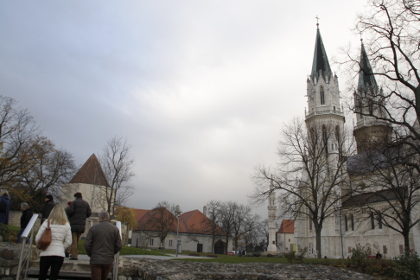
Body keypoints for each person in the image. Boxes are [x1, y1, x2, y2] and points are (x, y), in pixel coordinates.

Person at [35, 204, 72, 280]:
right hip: (59, 253)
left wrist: (42, 245)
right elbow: (69, 241)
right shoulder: (66, 224)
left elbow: (37, 238)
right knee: (54, 276)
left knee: (42, 275)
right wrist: (61, 247)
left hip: (46, 252)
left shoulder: (46, 223)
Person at [85, 211, 122, 280]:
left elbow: (87, 244)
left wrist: (91, 254)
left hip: (95, 259)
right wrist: (112, 253)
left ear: (99, 218)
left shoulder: (93, 228)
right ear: (108, 218)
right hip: (108, 259)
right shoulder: (115, 229)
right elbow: (119, 245)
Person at [66, 192, 91, 260]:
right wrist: (83, 217)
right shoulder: (86, 203)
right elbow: (89, 213)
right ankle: (75, 252)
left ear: (76, 197)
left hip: (74, 224)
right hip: (81, 224)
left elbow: (70, 211)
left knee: (73, 240)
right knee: (77, 240)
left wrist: (68, 211)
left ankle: (74, 255)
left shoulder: (74, 203)